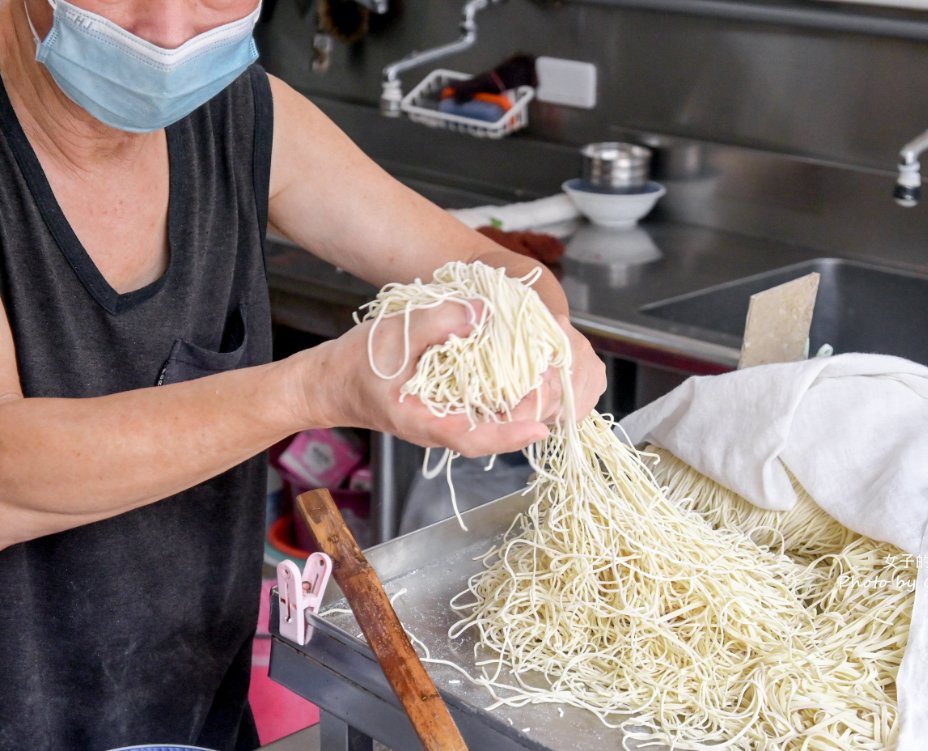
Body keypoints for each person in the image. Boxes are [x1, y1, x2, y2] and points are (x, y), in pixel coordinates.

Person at [0, 1, 606, 748]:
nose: (163, 28)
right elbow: (9, 469)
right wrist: (315, 387)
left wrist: (539, 328)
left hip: (194, 720)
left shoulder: (239, 116)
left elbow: (488, 268)